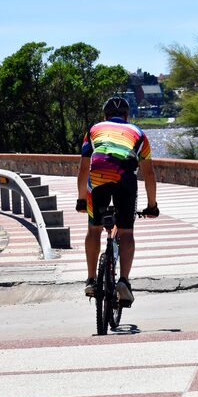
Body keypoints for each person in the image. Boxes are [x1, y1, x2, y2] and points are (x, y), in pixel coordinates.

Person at [75, 96, 159, 306]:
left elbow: (84, 169)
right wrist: (152, 206)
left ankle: (91, 280)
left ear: (105, 116)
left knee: (94, 229)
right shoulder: (139, 134)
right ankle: (124, 281)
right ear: (127, 116)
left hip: (98, 176)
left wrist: (81, 200)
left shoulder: (94, 130)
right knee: (126, 232)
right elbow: (149, 174)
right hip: (125, 178)